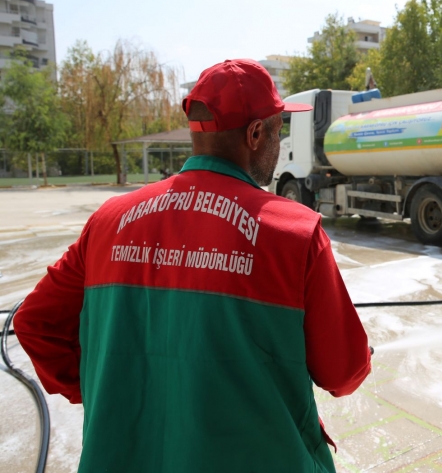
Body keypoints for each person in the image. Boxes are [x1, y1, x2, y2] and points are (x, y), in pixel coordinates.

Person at [14, 59, 372, 473]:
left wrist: (103, 389)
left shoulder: (108, 221)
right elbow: (344, 373)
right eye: (279, 130)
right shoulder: (294, 233)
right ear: (256, 134)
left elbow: (33, 323)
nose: (280, 142)